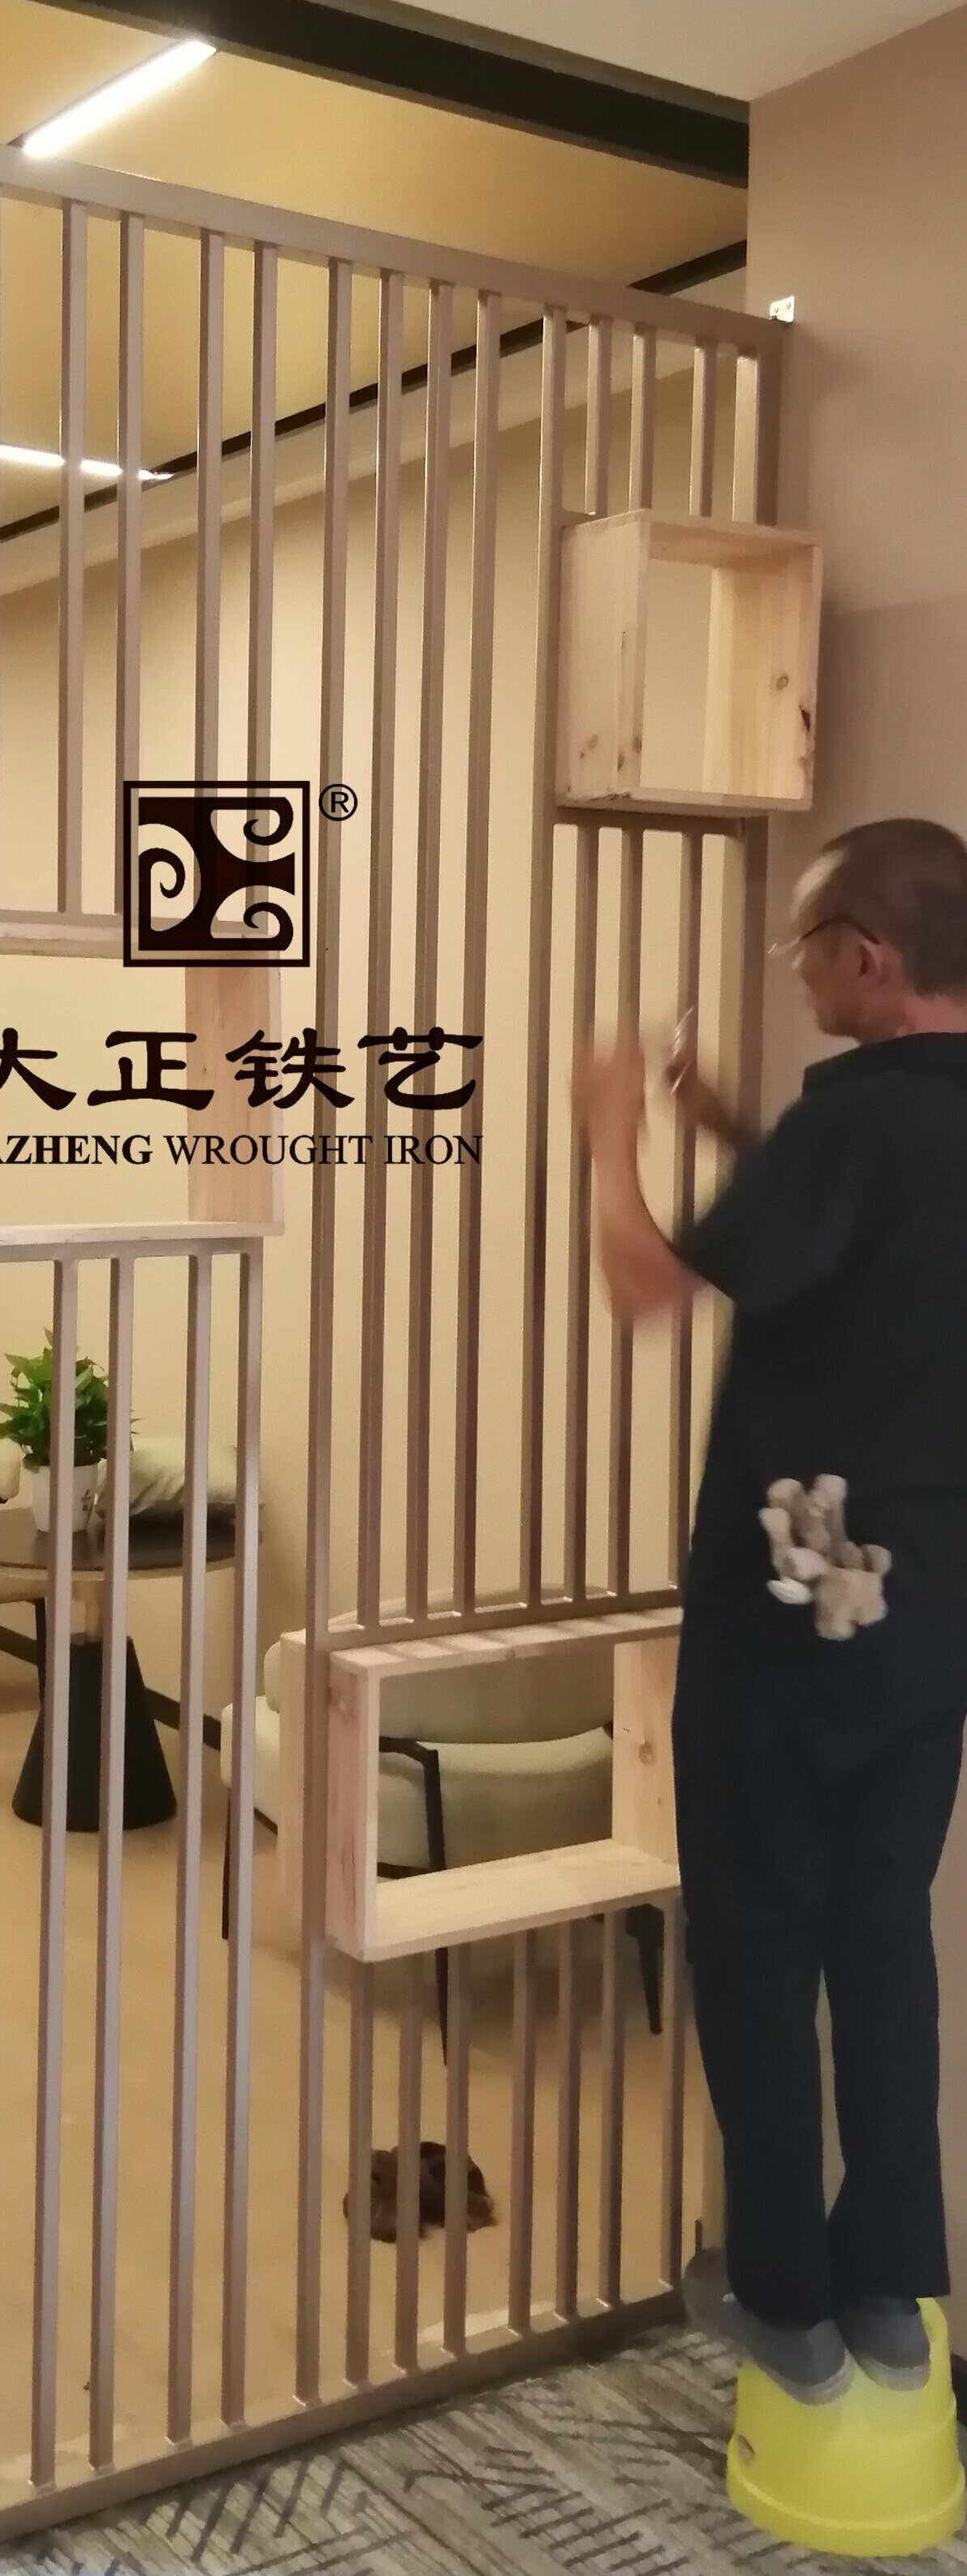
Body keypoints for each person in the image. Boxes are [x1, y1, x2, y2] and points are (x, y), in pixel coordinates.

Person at [574, 816, 967, 2403]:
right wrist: (729, 1119)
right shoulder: (887, 1125)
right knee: (880, 1935)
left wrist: (610, 1135)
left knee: (752, 1937)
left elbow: (646, 1284)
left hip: (786, 1613)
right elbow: (851, 1239)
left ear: (866, 958)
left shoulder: (844, 1131)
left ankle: (783, 2299)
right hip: (930, 1621)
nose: (792, 967)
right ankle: (891, 2288)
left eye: (803, 942)